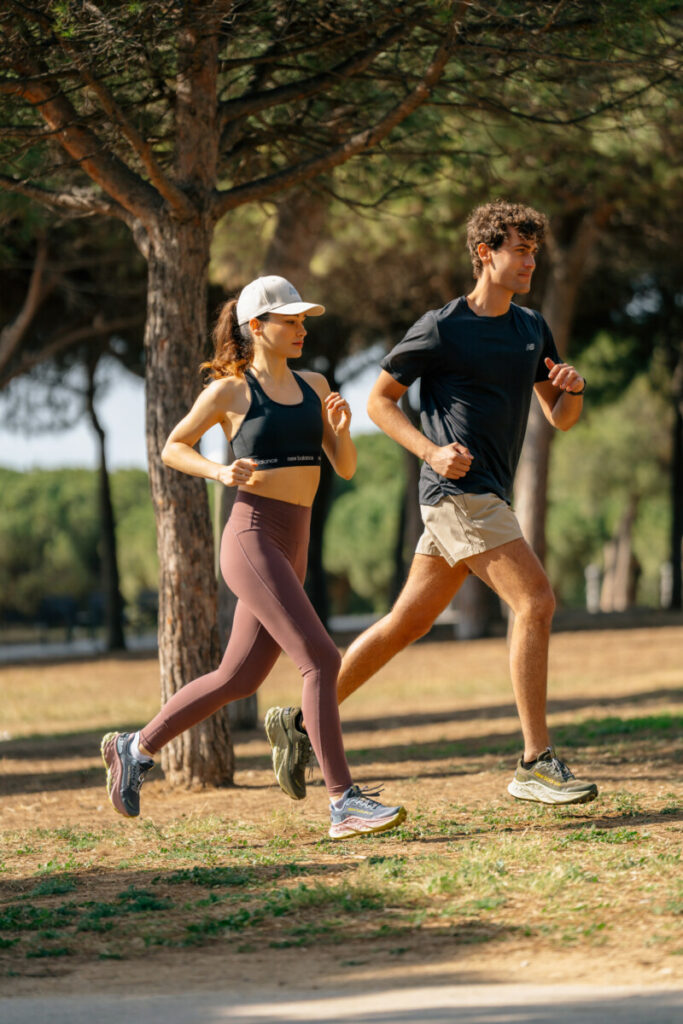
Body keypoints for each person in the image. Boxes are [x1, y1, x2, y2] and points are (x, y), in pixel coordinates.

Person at [265, 201, 599, 808]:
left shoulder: (531, 329)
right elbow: (379, 401)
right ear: (485, 254)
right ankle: (534, 761)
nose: (530, 262)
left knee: (406, 623)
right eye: (520, 250)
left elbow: (561, 416)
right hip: (456, 491)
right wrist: (432, 451)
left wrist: (573, 390)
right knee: (536, 600)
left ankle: (299, 720)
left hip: (485, 492)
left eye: (534, 252)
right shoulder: (443, 326)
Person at [100, 275, 406, 840]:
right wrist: (219, 470)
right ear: (256, 327)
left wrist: (339, 431)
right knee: (320, 658)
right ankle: (343, 801)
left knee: (237, 677)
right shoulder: (230, 391)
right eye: (290, 320)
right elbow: (173, 446)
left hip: (295, 542)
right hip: (252, 535)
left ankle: (134, 747)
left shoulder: (316, 384)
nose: (301, 329)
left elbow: (343, 467)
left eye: (302, 320)